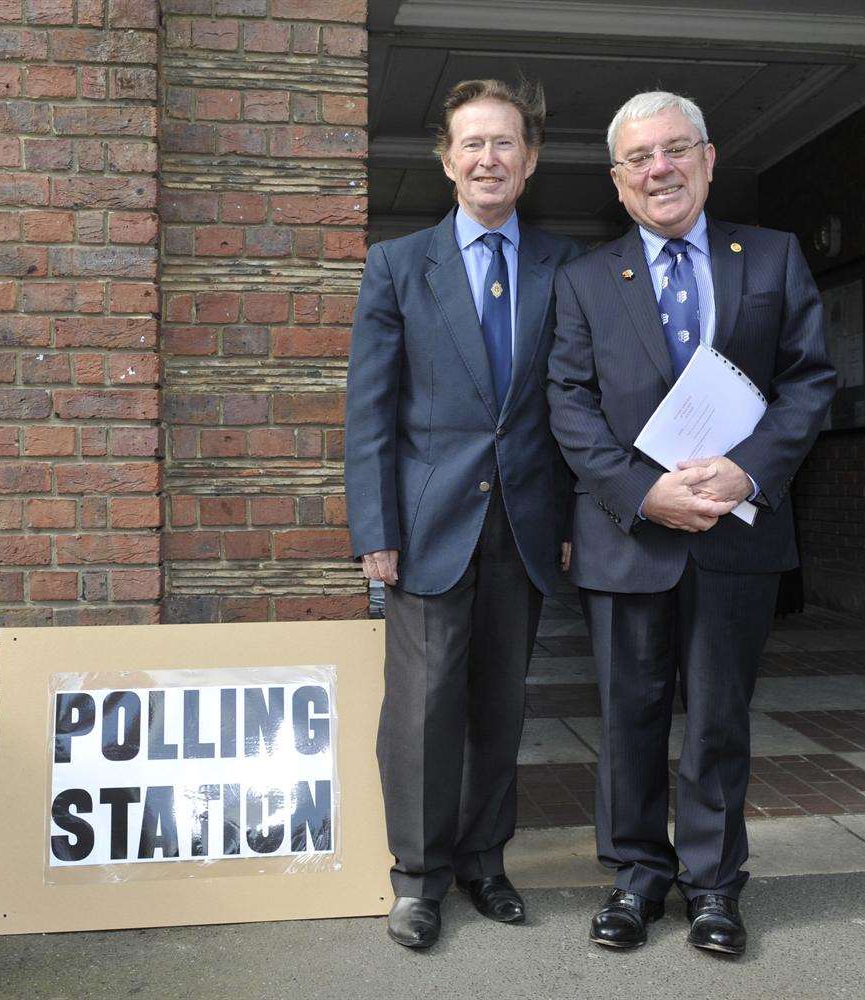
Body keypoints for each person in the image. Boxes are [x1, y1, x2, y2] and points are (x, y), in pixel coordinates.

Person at [546, 90, 835, 956]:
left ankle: (712, 886)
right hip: (627, 536)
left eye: (675, 150)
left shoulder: (773, 258)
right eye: (639, 159)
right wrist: (642, 492)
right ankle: (635, 878)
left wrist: (748, 467)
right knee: (628, 714)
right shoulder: (584, 280)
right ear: (618, 180)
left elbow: (809, 382)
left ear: (708, 160)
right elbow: (568, 404)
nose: (658, 168)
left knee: (717, 718)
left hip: (737, 535)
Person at [345, 78, 582, 949]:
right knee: (420, 708)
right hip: (426, 528)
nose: (489, 158)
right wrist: (375, 532)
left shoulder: (567, 267)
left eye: (505, 143)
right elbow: (369, 411)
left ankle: (486, 861)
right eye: (472, 143)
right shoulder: (397, 266)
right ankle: (417, 877)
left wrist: (571, 516)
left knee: (500, 706)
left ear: (529, 161)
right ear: (446, 160)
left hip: (523, 526)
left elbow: (571, 406)